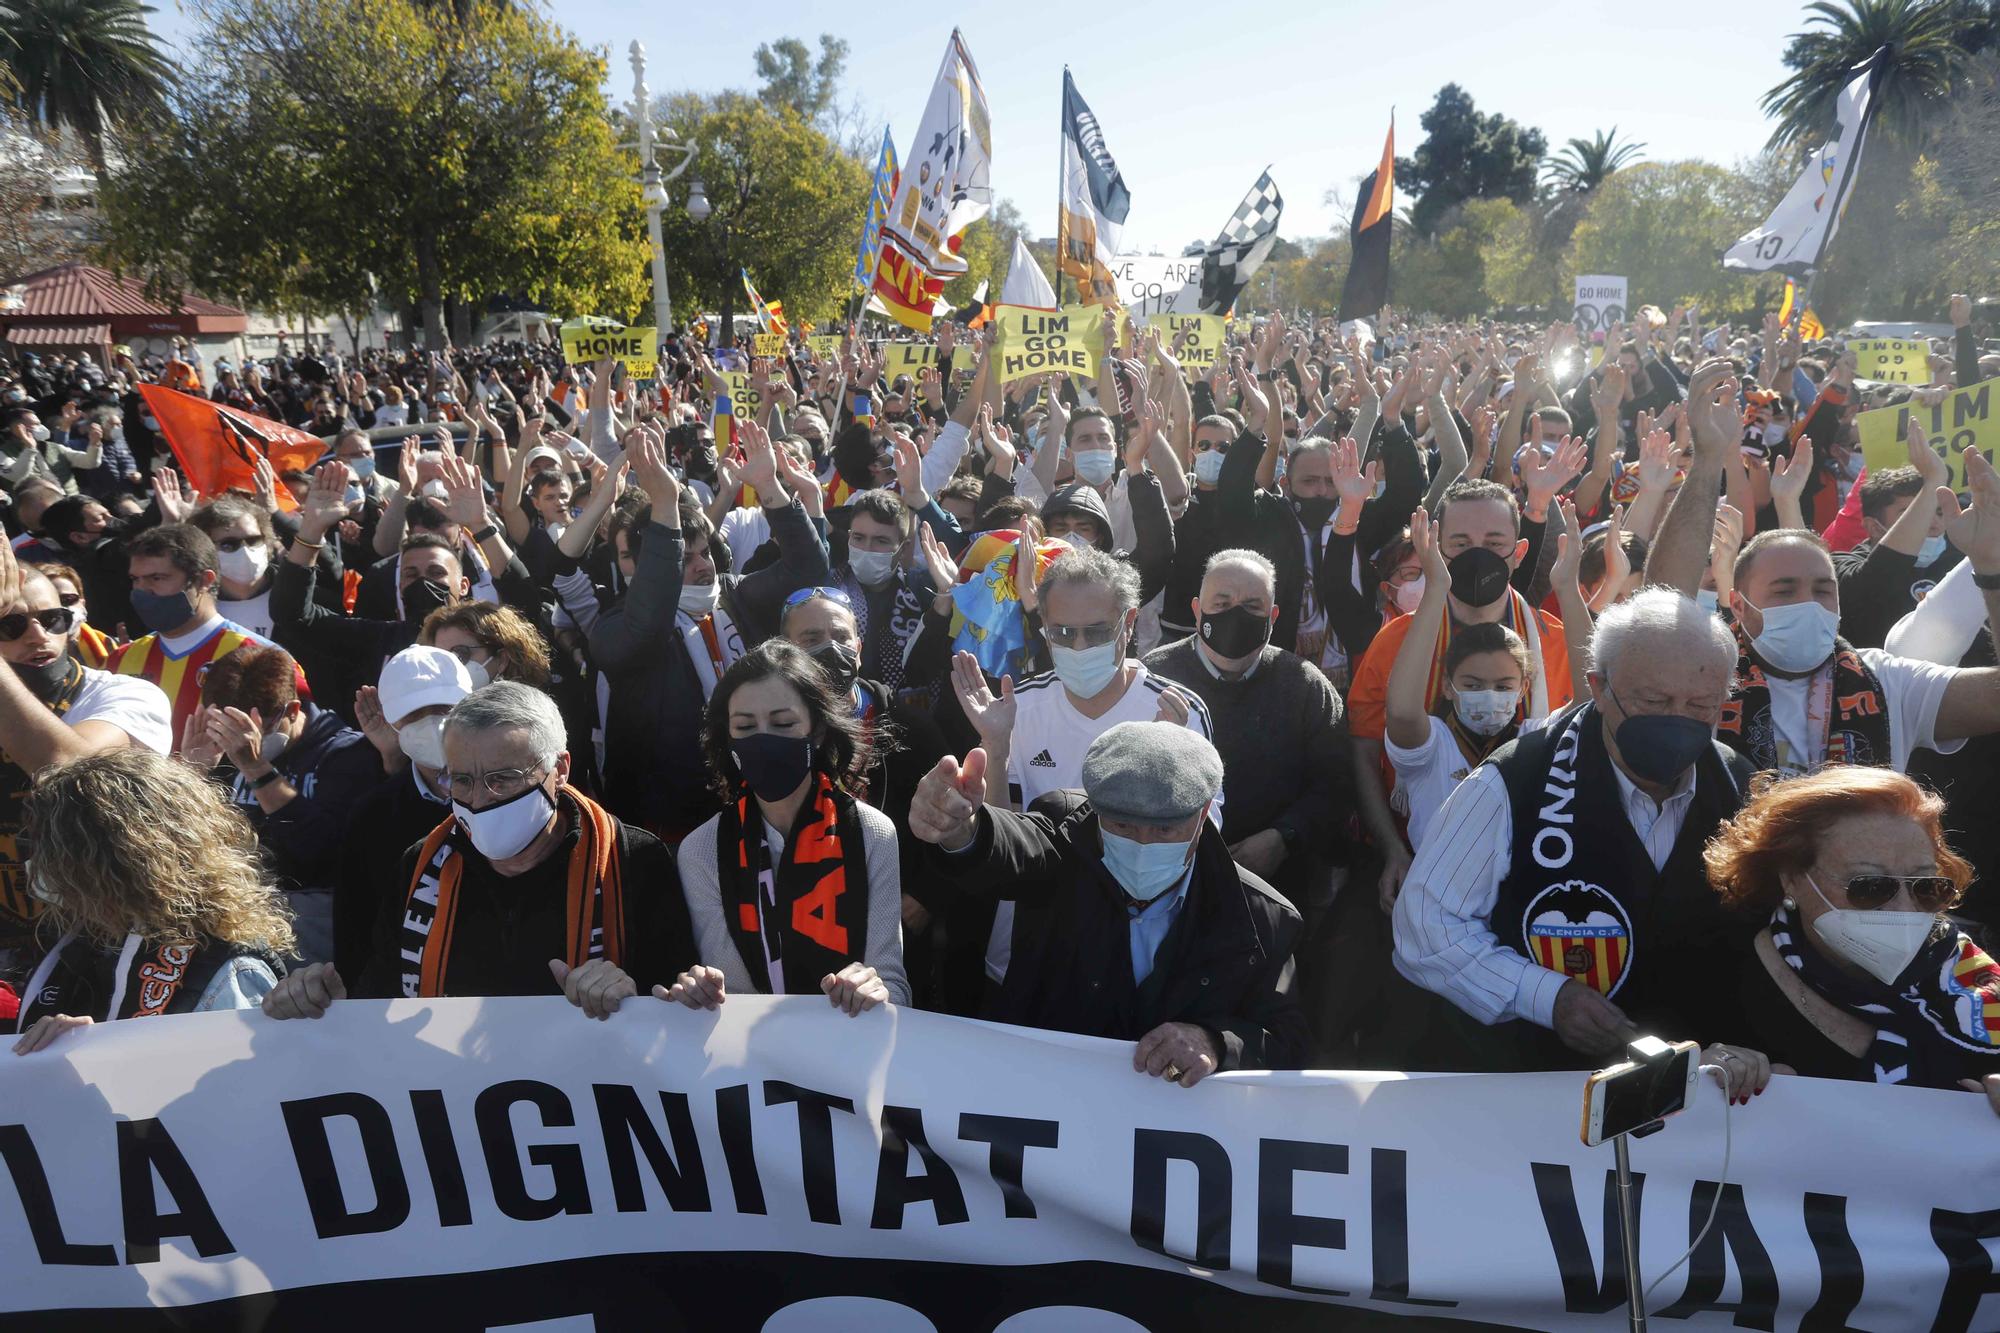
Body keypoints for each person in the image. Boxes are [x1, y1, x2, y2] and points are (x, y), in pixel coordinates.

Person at [1393, 589, 1754, 1070]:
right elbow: (1426, 927)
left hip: (1701, 1087)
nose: (1677, 720)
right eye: (1654, 700)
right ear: (1599, 688)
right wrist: (1545, 996)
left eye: (1700, 705)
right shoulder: (1514, 780)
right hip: (1532, 1083)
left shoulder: (1742, 787)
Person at [908, 720, 1309, 1084]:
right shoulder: (1067, 840)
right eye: (1121, 826)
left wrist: (1216, 1042)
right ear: (1096, 811)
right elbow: (1011, 845)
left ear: (1203, 814)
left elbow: (1287, 1042)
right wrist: (962, 831)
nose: (1142, 844)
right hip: (1046, 1111)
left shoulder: (1262, 918)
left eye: (1166, 829)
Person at [262, 682, 696, 1016]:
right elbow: (380, 998)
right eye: (462, 780)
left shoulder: (633, 859)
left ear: (559, 769)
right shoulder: (419, 867)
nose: (480, 800)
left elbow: (674, 1003)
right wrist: (328, 1004)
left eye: (502, 778)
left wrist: (629, 992)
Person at [953, 545, 1214, 989]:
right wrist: (995, 749)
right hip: (1032, 946)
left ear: (1129, 624)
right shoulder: (1020, 708)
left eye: (1095, 633)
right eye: (1063, 633)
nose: (1078, 647)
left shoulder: (1177, 710)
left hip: (1138, 949)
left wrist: (1170, 763)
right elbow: (1003, 841)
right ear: (1043, 629)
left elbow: (1204, 842)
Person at [1703, 767, 1999, 1110]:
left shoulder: (1974, 980)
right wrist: (1708, 1076)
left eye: (1927, 887)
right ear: (1791, 879)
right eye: (1870, 886)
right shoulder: (1713, 980)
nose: (1903, 908)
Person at [590, 424, 830, 840]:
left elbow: (808, 569)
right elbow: (647, 629)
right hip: (671, 817)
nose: (704, 566)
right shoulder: (616, 625)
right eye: (685, 558)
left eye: (705, 552)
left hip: (754, 798)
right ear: (654, 565)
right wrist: (664, 508)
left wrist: (769, 487)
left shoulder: (733, 595)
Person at [660, 641, 907, 1015]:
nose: (764, 739)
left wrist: (876, 993)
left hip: (850, 1051)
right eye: (745, 726)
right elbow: (733, 994)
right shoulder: (702, 849)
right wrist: (703, 992)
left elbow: (895, 987)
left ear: (818, 730)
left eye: (783, 723)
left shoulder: (873, 833)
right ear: (728, 739)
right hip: (757, 1062)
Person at [11, 747, 293, 1053]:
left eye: (53, 855)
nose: (37, 865)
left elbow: (238, 1091)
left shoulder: (233, 972)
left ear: (113, 867)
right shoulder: (87, 939)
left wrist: (101, 1057)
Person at [0, 542, 172, 952]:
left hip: (101, 937)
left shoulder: (128, 695)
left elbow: (67, 768)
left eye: (53, 619)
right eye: (11, 624)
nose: (38, 635)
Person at [182, 644, 382, 966]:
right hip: (233, 910)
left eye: (246, 732)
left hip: (310, 926)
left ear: (291, 711)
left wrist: (257, 769)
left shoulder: (349, 754)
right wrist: (190, 774)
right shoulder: (220, 754)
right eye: (222, 729)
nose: (234, 744)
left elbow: (322, 859)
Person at [337, 646, 475, 986]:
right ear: (392, 724)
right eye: (413, 715)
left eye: (443, 708)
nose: (431, 723)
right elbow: (355, 929)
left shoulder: (514, 787)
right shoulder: (371, 815)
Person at [103, 523, 278, 750]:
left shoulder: (261, 657)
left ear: (204, 580)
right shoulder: (119, 660)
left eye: (157, 578)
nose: (142, 590)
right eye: (136, 579)